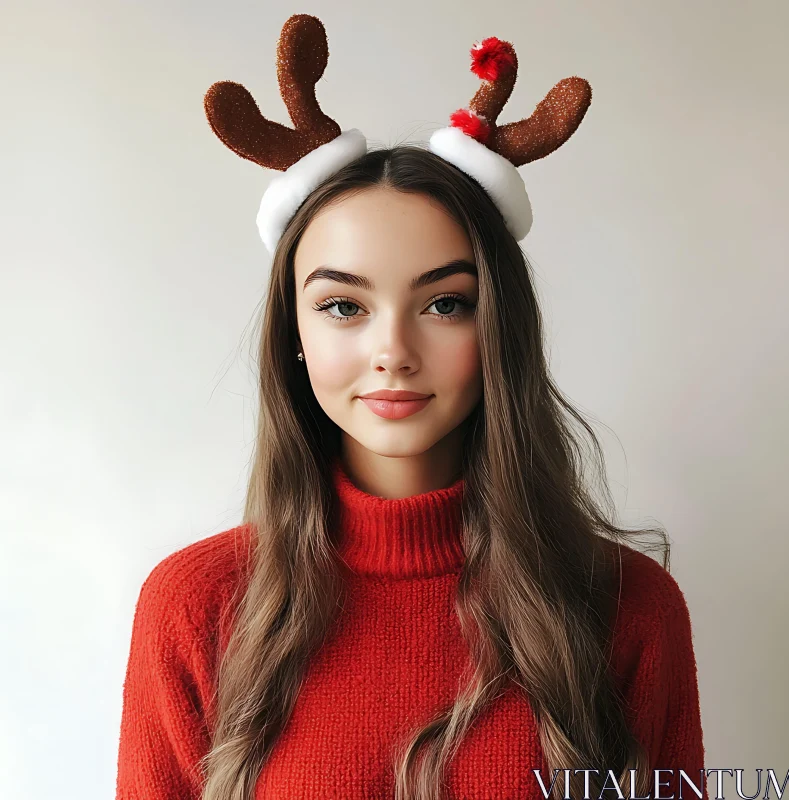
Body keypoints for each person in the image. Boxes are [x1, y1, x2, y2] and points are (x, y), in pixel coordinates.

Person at [115, 14, 705, 800]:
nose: (392, 350)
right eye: (343, 307)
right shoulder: (194, 609)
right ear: (293, 332)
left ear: (500, 326)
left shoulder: (629, 612)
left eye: (445, 304)